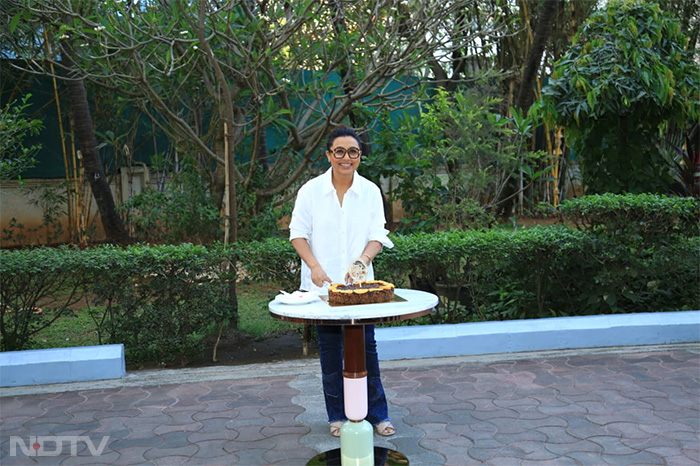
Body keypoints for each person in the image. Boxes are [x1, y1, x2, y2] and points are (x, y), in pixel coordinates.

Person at [288, 125, 395, 438]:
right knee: (331, 353)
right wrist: (315, 267)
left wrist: (362, 261)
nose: (346, 157)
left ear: (360, 156)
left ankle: (378, 415)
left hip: (361, 291)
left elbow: (378, 235)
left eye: (353, 152)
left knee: (367, 351)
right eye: (340, 151)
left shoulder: (371, 191)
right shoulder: (310, 191)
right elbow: (297, 234)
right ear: (329, 155)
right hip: (322, 291)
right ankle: (337, 415)